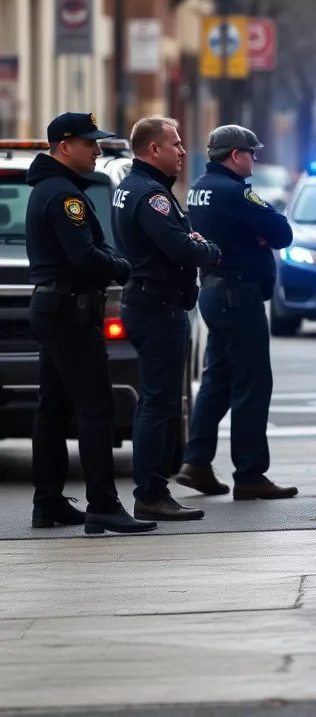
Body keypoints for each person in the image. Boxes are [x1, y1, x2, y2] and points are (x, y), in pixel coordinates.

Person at [24, 112, 156, 535]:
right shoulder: (66, 196)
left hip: (54, 309)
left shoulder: (51, 188)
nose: (98, 151)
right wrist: (123, 266)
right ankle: (103, 504)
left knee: (55, 408)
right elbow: (85, 257)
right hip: (71, 312)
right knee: (96, 406)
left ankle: (48, 504)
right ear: (65, 147)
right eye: (90, 143)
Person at [174, 125, 297, 501]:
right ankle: (250, 473)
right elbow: (281, 232)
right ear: (234, 155)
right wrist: (258, 236)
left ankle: (196, 461)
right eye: (251, 153)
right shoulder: (235, 192)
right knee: (252, 382)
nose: (254, 160)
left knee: (219, 378)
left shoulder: (199, 188)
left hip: (215, 292)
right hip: (237, 295)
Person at [111, 116, 222, 521]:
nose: (181, 150)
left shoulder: (133, 187)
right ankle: (152, 493)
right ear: (153, 149)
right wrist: (208, 250)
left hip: (149, 303)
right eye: (174, 144)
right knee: (159, 405)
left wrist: (191, 242)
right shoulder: (150, 195)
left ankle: (152, 490)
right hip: (157, 307)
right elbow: (181, 248)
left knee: (154, 403)